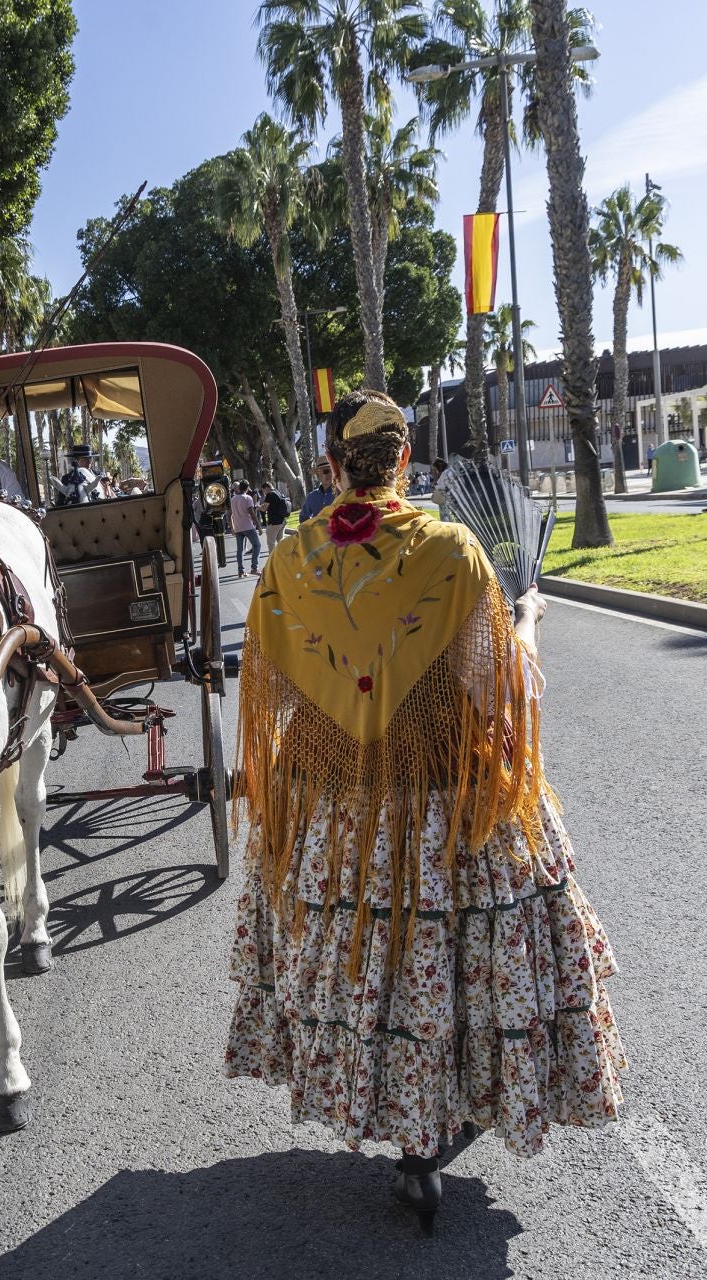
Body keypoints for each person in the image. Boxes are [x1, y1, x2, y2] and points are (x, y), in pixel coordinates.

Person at [223, 390, 624, 1230]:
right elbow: (502, 691)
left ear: (331, 468)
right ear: (406, 462)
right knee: (457, 963)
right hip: (449, 801)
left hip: (340, 805)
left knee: (369, 965)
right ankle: (442, 1122)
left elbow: (281, 692)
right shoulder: (454, 551)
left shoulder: (290, 561)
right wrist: (528, 616)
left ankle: (393, 1119)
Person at [227, 482, 262, 578]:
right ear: (247, 488)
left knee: (240, 550)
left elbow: (229, 514)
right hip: (248, 526)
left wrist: (231, 527)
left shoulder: (233, 499)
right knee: (257, 545)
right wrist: (259, 526)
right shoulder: (247, 498)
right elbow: (252, 513)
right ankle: (254, 568)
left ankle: (241, 571)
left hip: (238, 527)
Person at [262, 486, 291, 551]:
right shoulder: (278, 492)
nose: (264, 493)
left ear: (266, 488)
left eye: (263, 490)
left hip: (274, 522)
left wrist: (259, 507)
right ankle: (283, 557)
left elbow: (264, 508)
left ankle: (273, 560)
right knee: (281, 542)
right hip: (282, 521)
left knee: (271, 543)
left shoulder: (269, 494)